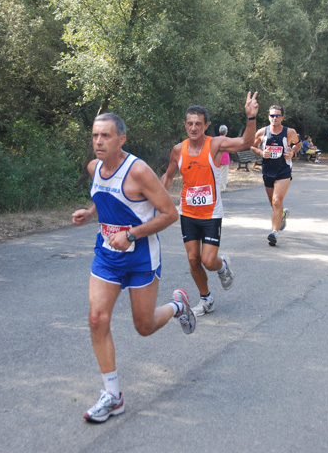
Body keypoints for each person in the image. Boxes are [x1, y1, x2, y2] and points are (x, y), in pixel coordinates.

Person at [72, 113, 196, 424]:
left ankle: (177, 305)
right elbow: (104, 198)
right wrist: (90, 214)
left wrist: (131, 234)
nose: (99, 142)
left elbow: (170, 214)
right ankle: (112, 396)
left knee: (144, 326)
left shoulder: (138, 171)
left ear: (121, 139)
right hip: (107, 256)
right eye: (95, 136)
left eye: (106, 136)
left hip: (141, 257)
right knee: (97, 318)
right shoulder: (94, 168)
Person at [161, 92, 259, 317]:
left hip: (211, 213)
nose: (193, 128)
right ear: (185, 125)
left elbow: (246, 142)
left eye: (198, 124)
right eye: (190, 124)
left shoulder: (215, 144)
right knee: (193, 259)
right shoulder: (178, 150)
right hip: (188, 212)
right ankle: (206, 299)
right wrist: (156, 200)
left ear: (206, 125)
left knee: (208, 260)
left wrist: (251, 117)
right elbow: (167, 177)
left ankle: (222, 265)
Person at [251, 105, 302, 246]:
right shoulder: (262, 132)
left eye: (277, 115)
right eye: (272, 115)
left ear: (282, 118)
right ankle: (282, 216)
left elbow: (298, 144)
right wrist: (261, 153)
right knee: (273, 204)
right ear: (268, 117)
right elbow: (253, 146)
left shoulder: (289, 132)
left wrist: (293, 152)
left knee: (277, 201)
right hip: (268, 171)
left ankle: (274, 232)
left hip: (283, 171)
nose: (275, 118)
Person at [219, 125, 230, 192]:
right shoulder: (227, 139)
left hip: (218, 158)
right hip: (225, 157)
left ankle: (219, 187)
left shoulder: (217, 139)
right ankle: (222, 188)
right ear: (226, 132)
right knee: (224, 174)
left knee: (219, 173)